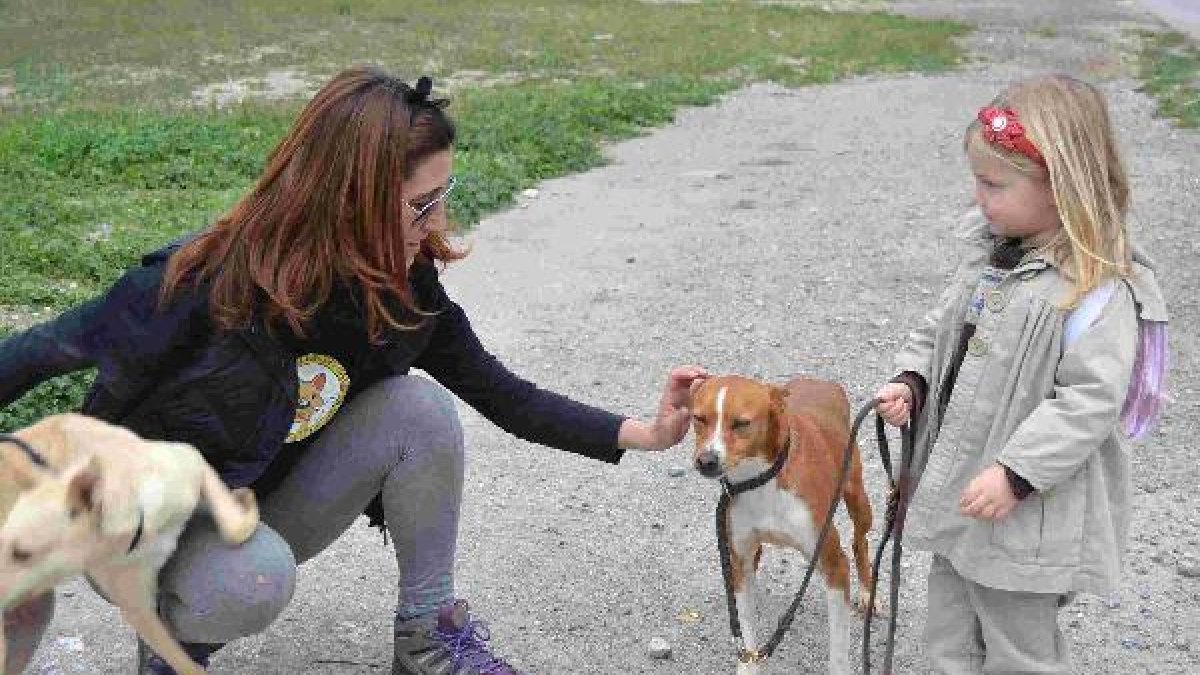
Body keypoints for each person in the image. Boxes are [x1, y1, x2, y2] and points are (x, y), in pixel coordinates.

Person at [0, 66, 707, 675]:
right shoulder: (208, 283)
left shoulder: (404, 295)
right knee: (255, 579)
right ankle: (170, 640)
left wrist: (647, 431)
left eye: (444, 194)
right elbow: (44, 349)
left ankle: (427, 637)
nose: (438, 221)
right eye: (420, 204)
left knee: (418, 410)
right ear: (352, 200)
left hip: (250, 502)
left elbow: (506, 395)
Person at [873, 73, 1169, 674]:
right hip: (961, 490)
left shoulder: (1097, 290)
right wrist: (912, 381)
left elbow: (1089, 401)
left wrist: (1017, 472)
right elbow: (941, 330)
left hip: (1026, 511)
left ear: (1062, 187)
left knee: (1018, 651)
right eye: (977, 182)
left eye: (993, 185)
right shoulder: (990, 258)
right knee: (948, 638)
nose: (979, 198)